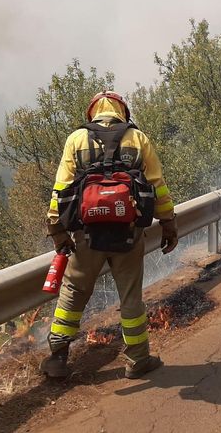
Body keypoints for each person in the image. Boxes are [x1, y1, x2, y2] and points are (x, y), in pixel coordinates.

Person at [40, 90, 178, 379]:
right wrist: (168, 224)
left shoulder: (76, 140)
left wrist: (57, 231)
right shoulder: (138, 139)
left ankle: (57, 358)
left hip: (86, 235)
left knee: (74, 293)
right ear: (122, 111)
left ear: (92, 113)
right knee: (130, 297)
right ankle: (138, 359)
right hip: (129, 235)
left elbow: (60, 189)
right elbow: (158, 186)